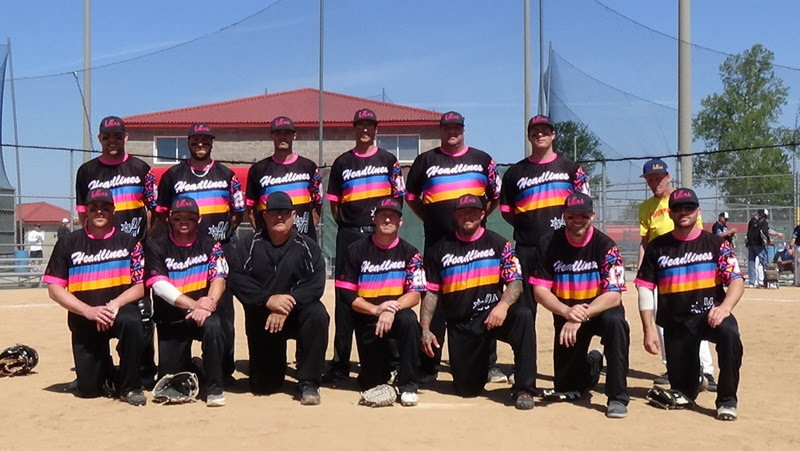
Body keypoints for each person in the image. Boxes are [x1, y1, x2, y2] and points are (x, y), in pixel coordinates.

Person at [406, 111, 505, 384]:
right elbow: (411, 197)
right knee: (434, 299)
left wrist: (478, 220)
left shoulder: (483, 160)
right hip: (438, 240)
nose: (452, 132)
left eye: (457, 128)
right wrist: (430, 218)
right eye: (447, 128)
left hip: (475, 241)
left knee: (483, 297)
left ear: (463, 130)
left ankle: (488, 363)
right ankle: (429, 364)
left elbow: (495, 195)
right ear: (440, 131)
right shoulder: (425, 161)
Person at [635, 188, 744, 421]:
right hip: (676, 323)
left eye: (689, 207)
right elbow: (644, 287)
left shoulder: (716, 244)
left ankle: (726, 401)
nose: (683, 212)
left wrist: (724, 308)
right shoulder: (657, 247)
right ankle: (696, 380)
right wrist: (648, 329)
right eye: (677, 208)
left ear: (698, 211)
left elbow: (736, 280)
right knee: (683, 393)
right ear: (670, 213)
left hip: (710, 315)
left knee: (730, 335)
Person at [421, 194, 535, 410]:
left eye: (473, 212)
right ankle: (477, 370)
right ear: (455, 216)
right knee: (467, 389)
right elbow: (432, 293)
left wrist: (502, 306)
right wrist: (425, 328)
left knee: (523, 316)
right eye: (463, 212)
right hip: (462, 323)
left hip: (492, 316)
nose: (468, 216)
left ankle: (525, 388)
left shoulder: (499, 244)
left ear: (482, 214)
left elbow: (516, 282)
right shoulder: (440, 249)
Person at [500, 114, 590, 388]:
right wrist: (531, 226)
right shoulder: (515, 173)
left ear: (553, 135)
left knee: (564, 310)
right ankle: (525, 372)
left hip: (562, 250)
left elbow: (583, 205)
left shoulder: (572, 169)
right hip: (528, 248)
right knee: (525, 313)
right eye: (535, 131)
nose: (540, 135)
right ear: (529, 136)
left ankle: (567, 372)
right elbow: (507, 211)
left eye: (545, 130)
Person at [156, 122, 245, 384]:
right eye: (195, 140)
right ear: (188, 143)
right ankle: (182, 361)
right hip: (181, 250)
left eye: (205, 140)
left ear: (212, 143)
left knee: (223, 313)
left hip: (218, 248)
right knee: (178, 305)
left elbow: (237, 212)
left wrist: (219, 235)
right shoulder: (173, 175)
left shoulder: (227, 174)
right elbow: (162, 213)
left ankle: (223, 369)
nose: (200, 144)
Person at [42, 188, 146, 406]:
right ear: (85, 211)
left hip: (118, 310)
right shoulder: (68, 243)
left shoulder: (130, 243)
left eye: (105, 207)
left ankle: (130, 387)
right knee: (89, 390)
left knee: (133, 322)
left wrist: (114, 305)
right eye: (94, 207)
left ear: (113, 211)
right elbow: (54, 288)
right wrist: (88, 311)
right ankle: (104, 368)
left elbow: (139, 287)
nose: (100, 211)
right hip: (84, 315)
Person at [323, 108, 405, 384]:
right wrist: (352, 226)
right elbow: (335, 206)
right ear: (354, 128)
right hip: (350, 234)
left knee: (386, 292)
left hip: (379, 236)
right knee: (345, 299)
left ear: (376, 129)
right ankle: (340, 363)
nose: (365, 130)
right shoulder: (342, 162)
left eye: (370, 125)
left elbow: (397, 199)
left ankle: (393, 360)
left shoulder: (389, 160)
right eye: (361, 125)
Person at [75, 115, 158, 388]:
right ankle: (102, 367)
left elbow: (152, 210)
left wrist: (140, 240)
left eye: (118, 136)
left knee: (142, 314)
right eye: (107, 136)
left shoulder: (141, 168)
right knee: (96, 307)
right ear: (100, 138)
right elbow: (82, 213)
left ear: (126, 138)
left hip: (133, 252)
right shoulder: (86, 171)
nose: (113, 141)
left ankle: (143, 371)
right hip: (99, 253)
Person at [531, 192, 629, 419]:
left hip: (600, 309)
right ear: (564, 216)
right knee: (568, 387)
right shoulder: (548, 243)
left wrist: (580, 315)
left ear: (592, 216)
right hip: (567, 312)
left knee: (617, 324)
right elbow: (540, 291)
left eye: (583, 216)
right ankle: (593, 362)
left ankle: (617, 397)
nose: (578, 220)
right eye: (572, 215)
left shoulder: (606, 246)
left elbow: (614, 295)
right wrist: (567, 312)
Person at [227, 192, 329, 405]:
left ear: (294, 215)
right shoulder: (248, 245)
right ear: (264, 216)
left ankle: (309, 382)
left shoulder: (307, 246)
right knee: (264, 386)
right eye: (274, 212)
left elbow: (315, 283)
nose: (279, 217)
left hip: (298, 313)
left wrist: (286, 303)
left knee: (317, 313)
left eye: (285, 212)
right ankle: (272, 368)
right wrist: (267, 300)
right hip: (263, 317)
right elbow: (236, 278)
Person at [335, 197, 425, 406]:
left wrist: (391, 309)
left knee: (409, 320)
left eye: (393, 216)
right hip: (368, 318)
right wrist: (375, 310)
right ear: (374, 219)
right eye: (383, 215)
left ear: (400, 222)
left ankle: (408, 386)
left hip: (396, 315)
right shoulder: (356, 250)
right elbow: (347, 294)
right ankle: (382, 371)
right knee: (372, 382)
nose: (387, 220)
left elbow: (415, 293)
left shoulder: (411, 253)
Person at [637, 158, 715, 389]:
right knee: (662, 319)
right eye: (650, 179)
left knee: (695, 316)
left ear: (668, 177)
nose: (655, 183)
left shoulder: (683, 201)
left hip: (687, 266)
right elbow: (645, 242)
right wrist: (642, 272)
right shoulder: (646, 208)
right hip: (660, 268)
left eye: (658, 178)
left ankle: (706, 370)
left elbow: (697, 234)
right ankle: (672, 366)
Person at [145, 197, 228, 407]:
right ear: (169, 218)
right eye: (178, 217)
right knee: (172, 382)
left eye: (190, 218)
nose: (184, 222)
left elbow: (219, 278)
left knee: (214, 326)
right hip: (172, 318)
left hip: (202, 315)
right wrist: (194, 304)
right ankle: (195, 366)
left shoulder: (211, 245)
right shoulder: (156, 247)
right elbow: (159, 286)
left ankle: (214, 388)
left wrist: (207, 305)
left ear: (199, 219)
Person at [246, 116, 322, 241]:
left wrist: (307, 228)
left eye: (286, 133)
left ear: (294, 136)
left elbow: (318, 204)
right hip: (269, 242)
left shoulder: (309, 167)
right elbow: (250, 209)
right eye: (278, 133)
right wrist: (263, 232)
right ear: (271, 136)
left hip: (303, 239)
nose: (282, 137)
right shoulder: (258, 169)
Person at [746, 209, 782, 288]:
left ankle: (752, 282)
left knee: (751, 263)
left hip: (750, 245)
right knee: (765, 263)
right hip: (759, 245)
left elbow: (767, 231)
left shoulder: (752, 221)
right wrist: (769, 241)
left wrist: (777, 234)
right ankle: (766, 281)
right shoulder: (763, 223)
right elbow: (765, 232)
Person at [790, 222, 800, 286]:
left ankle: (798, 281)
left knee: (798, 265)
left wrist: (791, 247)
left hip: (799, 248)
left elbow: (794, 238)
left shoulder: (798, 227)